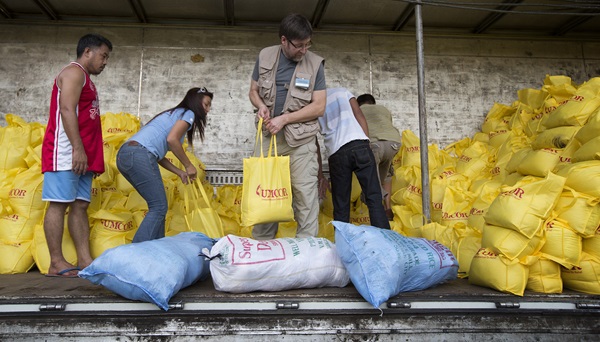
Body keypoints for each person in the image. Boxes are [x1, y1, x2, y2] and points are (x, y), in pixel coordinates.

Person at [248, 13, 327, 240]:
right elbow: (253, 91)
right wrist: (261, 106)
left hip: (300, 142)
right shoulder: (265, 56)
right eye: (299, 45)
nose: (304, 50)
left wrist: (285, 119)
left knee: (305, 196)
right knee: (265, 193)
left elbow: (319, 106)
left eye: (308, 44)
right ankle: (263, 249)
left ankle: (306, 251)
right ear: (284, 40)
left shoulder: (315, 64)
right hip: (267, 139)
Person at [41, 33, 112, 277]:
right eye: (103, 56)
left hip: (82, 155)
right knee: (59, 204)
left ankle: (84, 259)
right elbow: (66, 109)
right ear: (87, 52)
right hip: (66, 151)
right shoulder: (73, 73)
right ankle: (56, 262)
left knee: (80, 205)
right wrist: (78, 149)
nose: (105, 61)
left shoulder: (87, 79)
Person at [116, 87, 213, 243]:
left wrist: (179, 172)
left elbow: (157, 155)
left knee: (158, 207)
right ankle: (134, 254)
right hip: (139, 155)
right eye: (206, 104)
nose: (208, 110)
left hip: (126, 155)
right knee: (159, 207)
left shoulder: (172, 114)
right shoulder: (188, 113)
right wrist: (188, 166)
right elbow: (172, 140)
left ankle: (157, 251)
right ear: (196, 102)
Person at [316, 88, 390, 229]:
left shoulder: (315, 101)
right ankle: (385, 242)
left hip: (337, 153)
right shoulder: (342, 92)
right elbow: (359, 115)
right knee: (374, 197)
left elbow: (313, 142)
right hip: (359, 144)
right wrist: (366, 143)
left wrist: (320, 175)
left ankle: (343, 244)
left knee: (341, 205)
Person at [356, 93, 402, 220]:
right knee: (386, 174)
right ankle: (388, 209)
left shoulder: (358, 111)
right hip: (394, 143)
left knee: (372, 182)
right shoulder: (383, 110)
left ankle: (378, 212)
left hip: (375, 144)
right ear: (373, 103)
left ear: (359, 104)